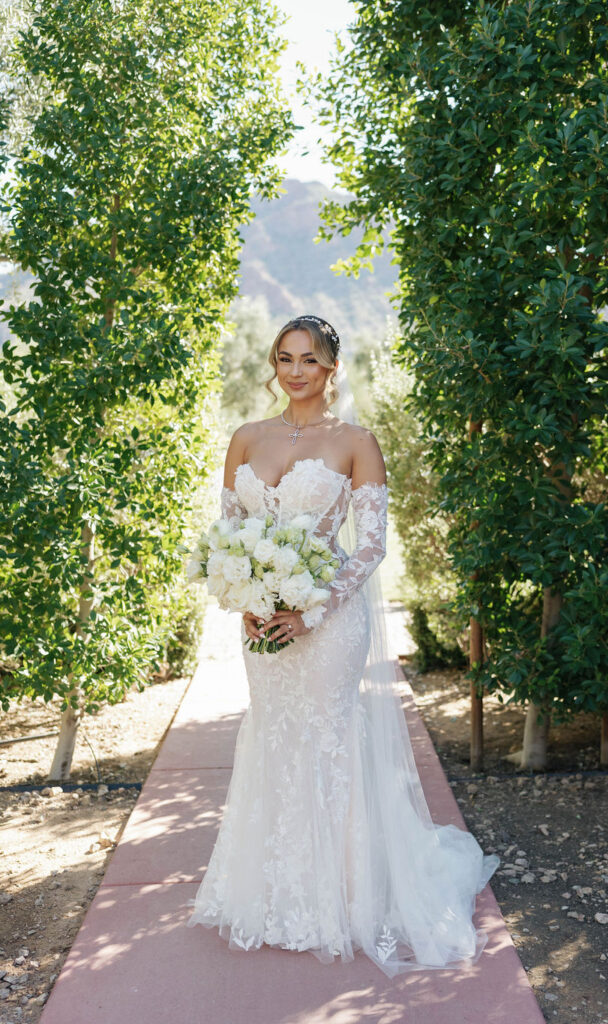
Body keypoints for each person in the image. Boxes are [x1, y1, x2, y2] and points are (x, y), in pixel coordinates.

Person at [186, 314, 499, 976]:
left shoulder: (356, 441)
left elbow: (371, 542)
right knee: (273, 735)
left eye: (309, 359)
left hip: (329, 622)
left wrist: (313, 609)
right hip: (262, 622)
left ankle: (347, 895)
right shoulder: (245, 438)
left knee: (329, 736)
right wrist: (248, 601)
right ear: (274, 364)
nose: (294, 370)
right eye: (284, 358)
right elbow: (230, 532)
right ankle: (275, 892)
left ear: (331, 368)